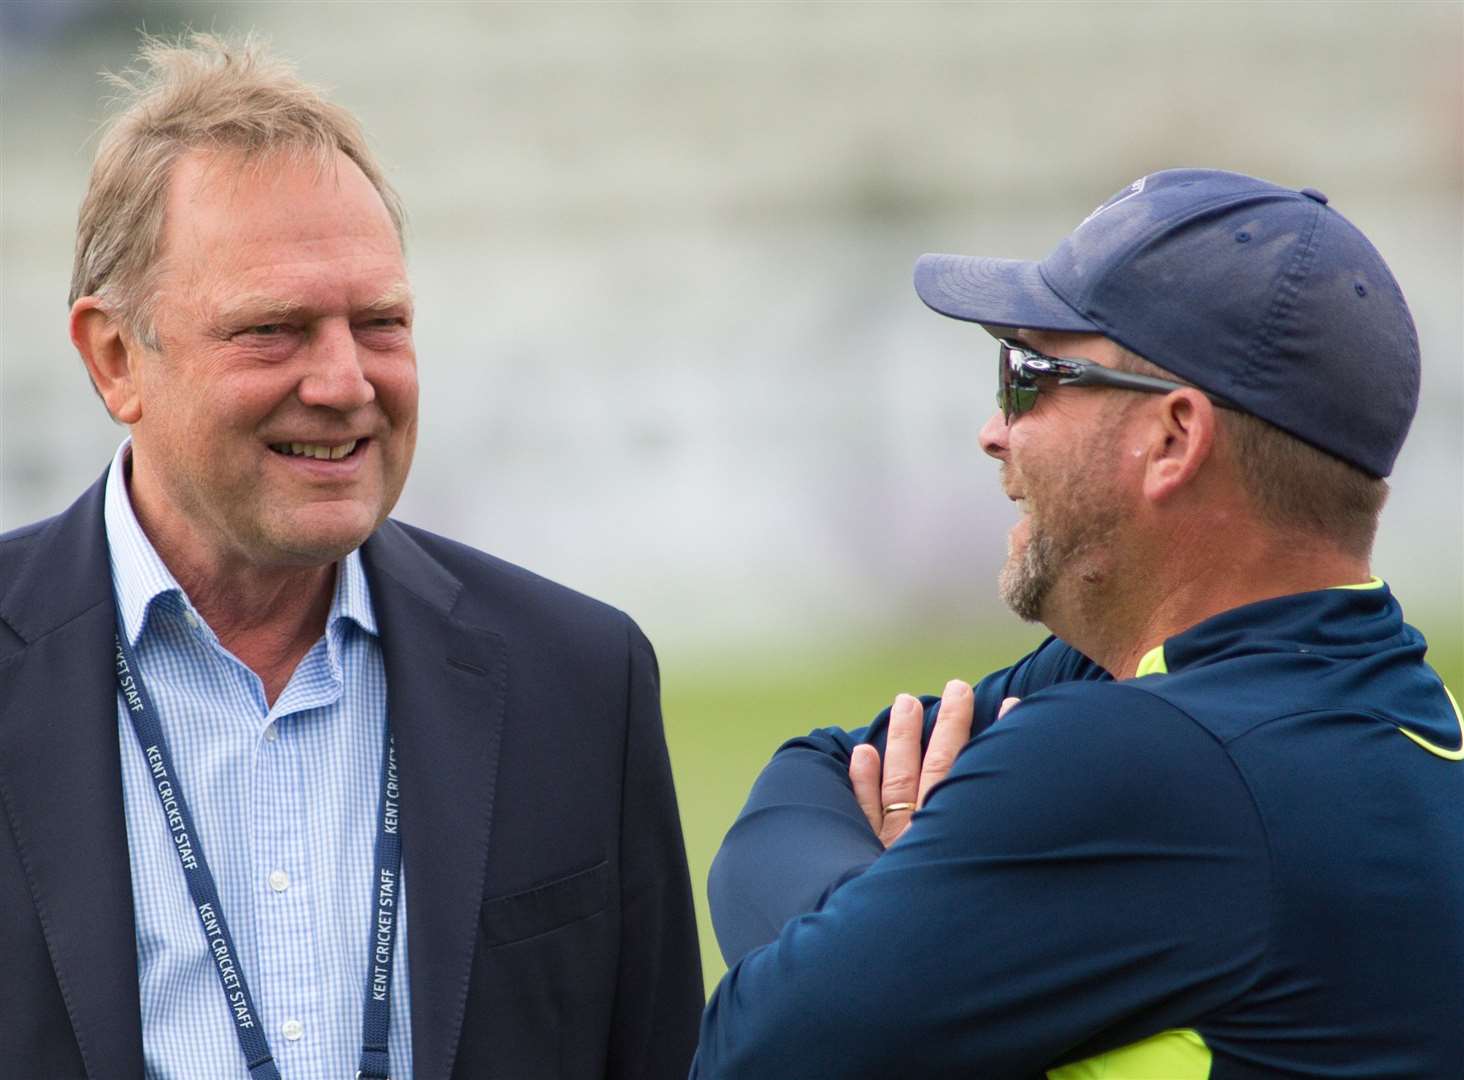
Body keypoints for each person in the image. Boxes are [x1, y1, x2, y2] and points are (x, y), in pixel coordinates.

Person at [0, 33, 701, 1080]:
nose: (343, 381)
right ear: (115, 359)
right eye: (273, 330)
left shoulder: (580, 684)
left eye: (379, 323)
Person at [692, 169, 1464, 1077]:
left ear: (1172, 439)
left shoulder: (1142, 759)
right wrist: (899, 917)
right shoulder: (1387, 709)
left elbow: (752, 1047)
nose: (993, 430)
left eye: (1028, 377)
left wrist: (898, 922)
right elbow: (812, 773)